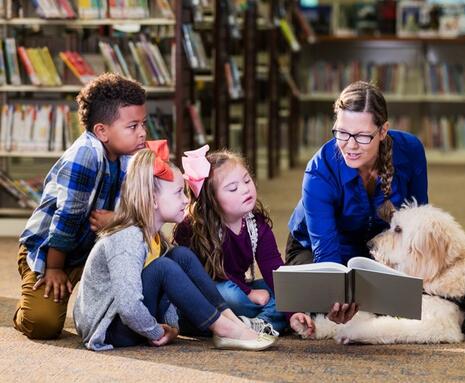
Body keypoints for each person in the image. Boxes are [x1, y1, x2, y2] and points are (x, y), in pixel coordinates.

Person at [73, 144, 276, 351]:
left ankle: (230, 321)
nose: (187, 199)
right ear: (153, 200)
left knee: (181, 255)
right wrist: (156, 331)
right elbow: (128, 306)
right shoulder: (127, 237)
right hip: (110, 329)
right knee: (163, 267)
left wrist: (172, 326)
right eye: (179, 193)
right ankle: (225, 328)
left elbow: (167, 293)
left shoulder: (156, 238)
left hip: (134, 320)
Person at [14, 73, 148, 339]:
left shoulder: (130, 155)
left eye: (144, 123)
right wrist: (53, 269)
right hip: (51, 252)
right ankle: (24, 310)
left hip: (91, 250)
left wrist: (119, 219)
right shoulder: (86, 155)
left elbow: (145, 209)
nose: (143, 132)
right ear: (102, 131)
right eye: (133, 126)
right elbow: (67, 218)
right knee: (42, 324)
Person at [173, 146, 319, 337]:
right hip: (206, 294)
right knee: (231, 295)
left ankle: (254, 325)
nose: (245, 190)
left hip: (240, 289)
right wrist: (249, 293)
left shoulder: (255, 224)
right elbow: (205, 275)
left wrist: (293, 311)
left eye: (247, 180)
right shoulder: (194, 228)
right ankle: (260, 320)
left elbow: (273, 268)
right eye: (233, 188)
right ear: (211, 200)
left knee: (290, 288)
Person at [287, 80, 428, 266]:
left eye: (362, 136)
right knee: (327, 292)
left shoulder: (410, 150)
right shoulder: (319, 172)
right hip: (315, 249)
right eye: (342, 132)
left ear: (383, 130)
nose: (350, 146)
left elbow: (418, 223)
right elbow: (327, 259)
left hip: (381, 247)